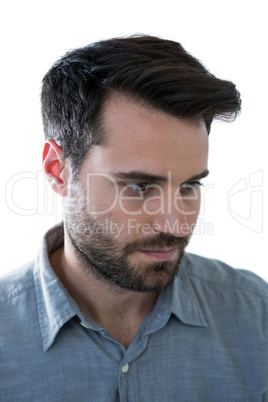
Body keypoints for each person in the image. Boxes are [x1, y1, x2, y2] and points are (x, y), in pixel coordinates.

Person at [1, 35, 267, 401]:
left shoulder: (256, 316)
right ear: (57, 171)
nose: (174, 225)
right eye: (140, 186)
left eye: (189, 186)